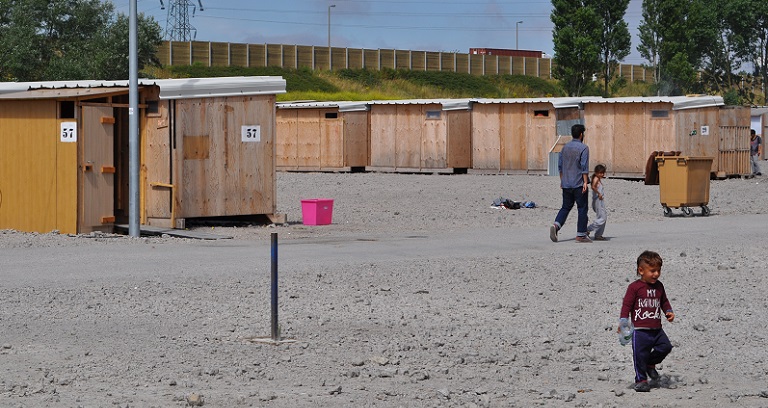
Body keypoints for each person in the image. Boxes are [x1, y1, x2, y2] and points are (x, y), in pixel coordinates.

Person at [619, 250, 675, 392]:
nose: (656, 274)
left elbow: (664, 301)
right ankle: (641, 380)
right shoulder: (634, 287)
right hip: (640, 331)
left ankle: (651, 364)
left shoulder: (659, 286)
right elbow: (627, 305)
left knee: (666, 347)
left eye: (658, 270)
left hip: (656, 329)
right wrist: (623, 322)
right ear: (641, 270)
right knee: (639, 356)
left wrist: (668, 311)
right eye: (652, 271)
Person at [550, 123, 590, 243]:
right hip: (578, 183)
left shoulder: (565, 148)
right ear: (581, 134)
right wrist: (585, 182)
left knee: (566, 206)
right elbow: (584, 167)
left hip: (566, 183)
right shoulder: (584, 148)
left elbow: (560, 166)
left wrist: (562, 180)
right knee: (582, 208)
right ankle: (581, 234)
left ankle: (556, 225)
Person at [587, 164, 607, 240]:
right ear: (596, 172)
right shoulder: (595, 178)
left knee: (602, 217)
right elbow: (593, 187)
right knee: (602, 218)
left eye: (602, 173)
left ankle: (599, 234)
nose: (601, 174)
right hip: (598, 200)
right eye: (600, 173)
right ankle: (588, 229)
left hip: (599, 200)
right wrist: (599, 193)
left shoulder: (597, 178)